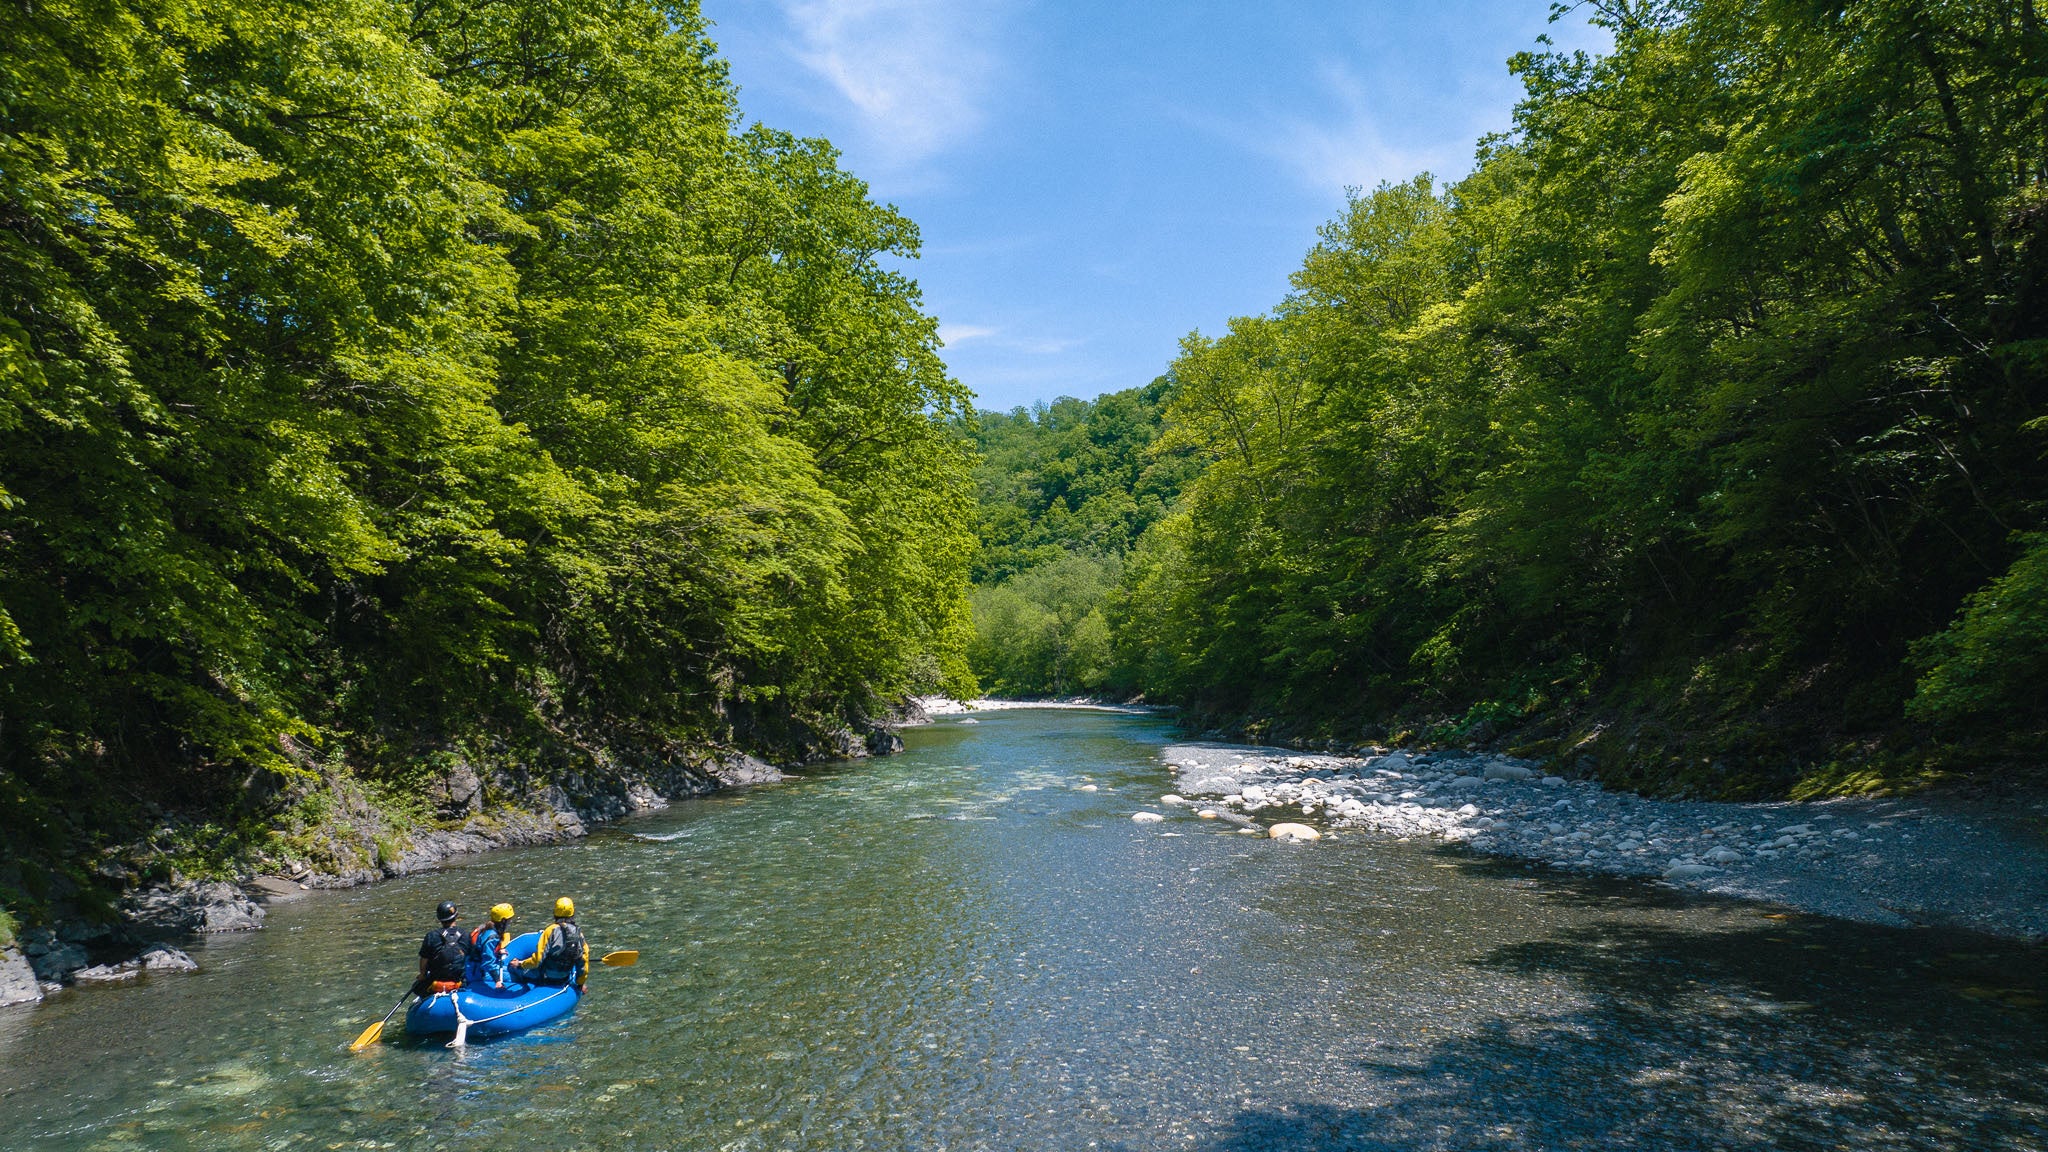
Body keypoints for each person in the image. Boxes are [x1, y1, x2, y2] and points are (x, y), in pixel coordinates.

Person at [513, 896, 588, 992]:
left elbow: (538, 960)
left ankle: (521, 990)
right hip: (564, 977)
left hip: (545, 976)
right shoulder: (579, 934)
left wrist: (520, 964)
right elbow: (583, 961)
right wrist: (580, 983)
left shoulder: (550, 931)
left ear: (555, 913)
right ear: (572, 914)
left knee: (512, 968)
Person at [414, 900, 469, 997]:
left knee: (416, 987)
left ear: (439, 918)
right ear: (456, 916)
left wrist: (422, 975)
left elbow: (424, 960)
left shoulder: (431, 936)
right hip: (459, 982)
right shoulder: (466, 935)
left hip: (436, 981)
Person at [467, 903, 516, 989]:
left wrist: (497, 951)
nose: (510, 922)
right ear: (503, 921)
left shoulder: (485, 927)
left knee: (511, 970)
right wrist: (497, 981)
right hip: (476, 973)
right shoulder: (492, 937)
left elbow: (482, 948)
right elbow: (488, 962)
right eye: (509, 920)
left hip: (473, 966)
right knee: (515, 977)